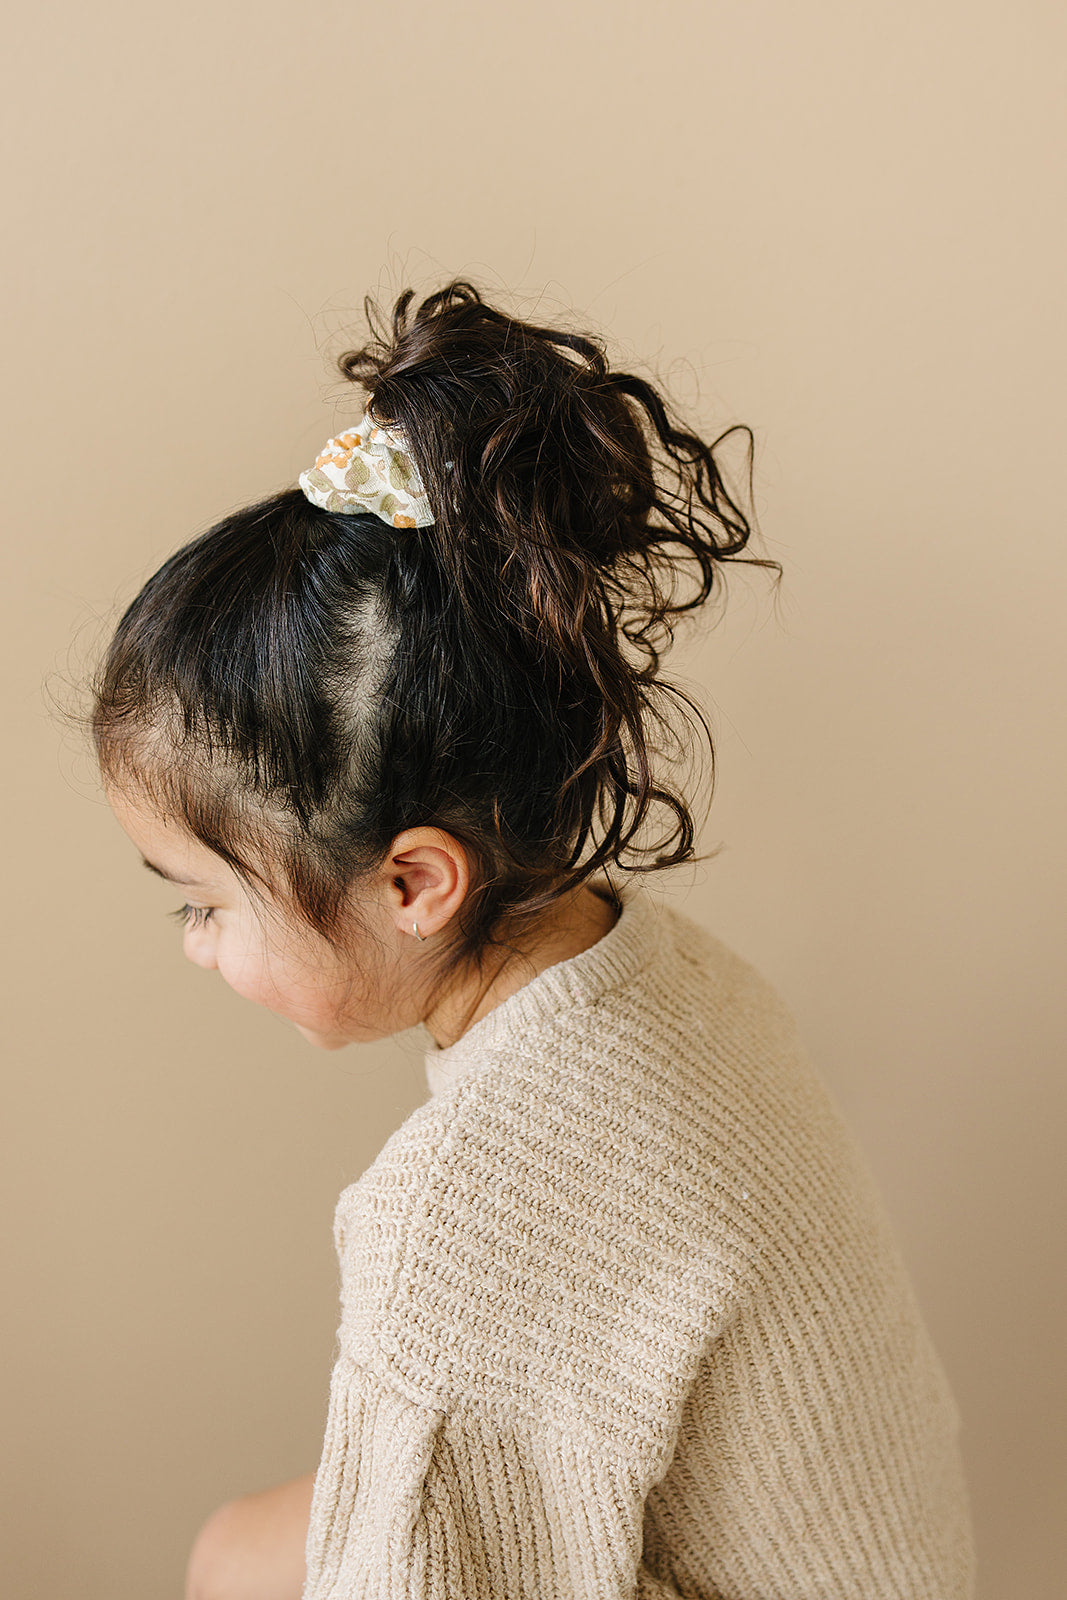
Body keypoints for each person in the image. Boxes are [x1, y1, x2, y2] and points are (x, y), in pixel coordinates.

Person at [92, 280, 976, 1599]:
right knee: (240, 1550)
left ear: (414, 886)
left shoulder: (460, 1218)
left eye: (205, 903)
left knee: (227, 1563)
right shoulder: (668, 978)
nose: (195, 947)